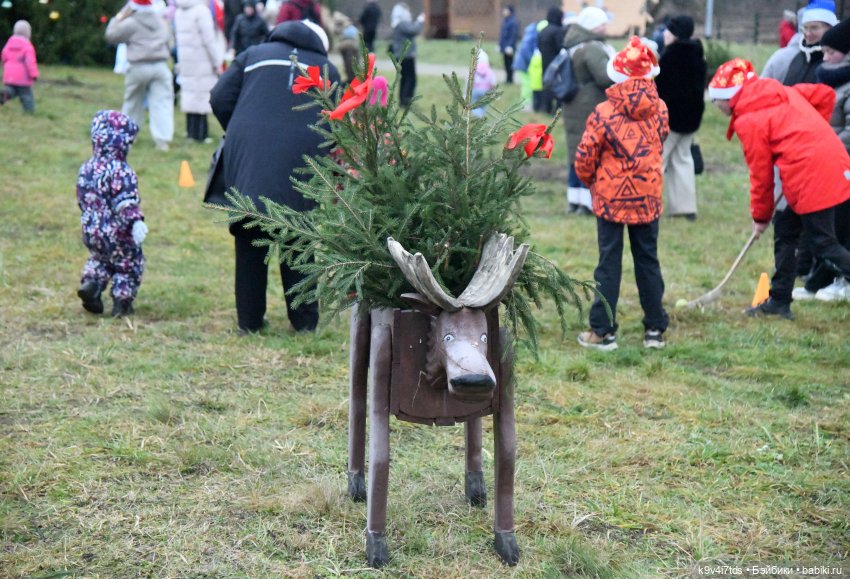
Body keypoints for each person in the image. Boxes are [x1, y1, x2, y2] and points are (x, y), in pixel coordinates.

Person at [210, 20, 340, 333]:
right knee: (299, 240)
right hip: (303, 165)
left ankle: (250, 323)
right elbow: (337, 119)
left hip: (251, 162)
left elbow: (219, 97)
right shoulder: (326, 69)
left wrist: (242, 131)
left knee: (250, 238)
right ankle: (305, 324)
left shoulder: (254, 55)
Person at [708, 58, 850, 319]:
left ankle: (779, 300)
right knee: (786, 229)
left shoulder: (749, 120)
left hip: (813, 173)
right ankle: (779, 300)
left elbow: (761, 176)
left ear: (730, 98)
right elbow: (824, 95)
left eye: (716, 100)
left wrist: (760, 217)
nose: (715, 106)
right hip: (831, 161)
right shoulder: (779, 90)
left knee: (824, 243)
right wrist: (808, 132)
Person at [575, 36, 669, 351]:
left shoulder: (603, 112)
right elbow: (661, 141)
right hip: (648, 196)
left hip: (611, 197)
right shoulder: (661, 109)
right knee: (648, 260)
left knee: (609, 262)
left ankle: (603, 331)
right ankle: (655, 329)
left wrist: (591, 181)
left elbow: (586, 155)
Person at [795, 16, 850, 302]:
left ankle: (843, 281)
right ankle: (819, 278)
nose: (824, 56)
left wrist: (825, 148)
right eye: (824, 51)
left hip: (841, 164)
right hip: (826, 163)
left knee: (841, 228)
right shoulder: (826, 77)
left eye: (831, 51)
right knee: (824, 228)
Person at [77, 110, 148, 318]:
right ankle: (122, 302)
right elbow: (125, 201)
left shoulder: (87, 167)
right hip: (118, 231)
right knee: (128, 263)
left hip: (91, 228)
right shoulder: (121, 170)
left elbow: (82, 197)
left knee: (100, 259)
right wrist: (135, 222)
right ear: (122, 142)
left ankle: (92, 285)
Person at [561, 6, 615, 215]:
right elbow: (604, 76)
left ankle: (574, 200)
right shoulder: (592, 47)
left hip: (573, 104)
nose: (605, 27)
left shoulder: (573, 43)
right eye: (601, 24)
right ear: (592, 25)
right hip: (589, 106)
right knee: (590, 153)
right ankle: (587, 202)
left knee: (575, 153)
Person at [654, 15, 706, 220]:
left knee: (658, 160)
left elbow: (661, 90)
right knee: (683, 160)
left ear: (675, 34)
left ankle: (647, 202)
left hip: (671, 118)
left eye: (668, 30)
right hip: (691, 118)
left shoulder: (670, 58)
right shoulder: (697, 55)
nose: (665, 34)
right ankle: (685, 207)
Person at [105, 0, 175, 152]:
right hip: (160, 66)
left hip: (137, 67)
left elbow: (111, 36)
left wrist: (118, 17)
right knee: (162, 104)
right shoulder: (161, 21)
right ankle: (162, 141)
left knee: (132, 102)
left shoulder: (130, 23)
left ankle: (127, 136)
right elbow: (170, 42)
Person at [174, 0, 223, 143]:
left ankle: (190, 132)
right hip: (202, 59)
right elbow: (209, 40)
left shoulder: (179, 11)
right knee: (201, 97)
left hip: (186, 59)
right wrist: (217, 61)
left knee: (189, 94)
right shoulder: (202, 11)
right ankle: (201, 134)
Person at [390, 3, 425, 107]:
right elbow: (413, 30)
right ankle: (406, 100)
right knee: (410, 78)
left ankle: (403, 100)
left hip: (403, 55)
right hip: (406, 55)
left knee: (404, 78)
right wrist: (420, 20)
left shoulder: (398, 23)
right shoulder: (401, 23)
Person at [1, 20, 39, 114]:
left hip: (9, 75)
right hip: (23, 77)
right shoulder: (27, 46)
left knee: (12, 89)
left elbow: (4, 56)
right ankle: (29, 112)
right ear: (28, 33)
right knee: (26, 95)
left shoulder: (9, 43)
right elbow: (30, 62)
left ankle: (5, 93)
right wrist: (33, 74)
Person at [536, 6, 564, 115]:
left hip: (545, 61)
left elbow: (538, 46)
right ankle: (557, 110)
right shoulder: (558, 31)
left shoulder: (543, 30)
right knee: (557, 86)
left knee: (546, 85)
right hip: (556, 63)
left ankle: (545, 108)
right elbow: (561, 47)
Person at [512, 20, 541, 111]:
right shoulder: (532, 36)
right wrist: (530, 61)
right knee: (527, 84)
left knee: (526, 84)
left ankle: (525, 103)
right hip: (525, 64)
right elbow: (527, 51)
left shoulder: (529, 34)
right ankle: (526, 104)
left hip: (522, 63)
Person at [471, 49, 497, 118]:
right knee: (484, 104)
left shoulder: (473, 70)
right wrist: (494, 92)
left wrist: (465, 93)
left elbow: (469, 82)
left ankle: (477, 116)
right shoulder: (489, 71)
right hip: (486, 91)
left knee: (474, 104)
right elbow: (493, 83)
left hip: (475, 90)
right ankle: (481, 116)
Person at [498, 5, 519, 85]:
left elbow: (513, 35)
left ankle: (510, 79)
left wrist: (510, 46)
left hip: (509, 47)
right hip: (504, 46)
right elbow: (502, 35)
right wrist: (500, 44)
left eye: (506, 10)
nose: (504, 11)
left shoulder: (513, 22)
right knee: (506, 63)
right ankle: (507, 79)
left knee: (510, 63)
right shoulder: (505, 21)